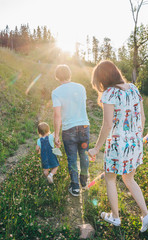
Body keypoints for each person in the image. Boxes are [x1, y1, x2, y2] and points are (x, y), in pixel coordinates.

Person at [88, 60, 148, 232]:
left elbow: (108, 124)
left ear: (102, 78)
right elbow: (143, 118)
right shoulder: (133, 88)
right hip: (134, 142)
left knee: (111, 179)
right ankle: (146, 215)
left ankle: (115, 217)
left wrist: (96, 148)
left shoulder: (109, 93)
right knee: (129, 178)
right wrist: (136, 138)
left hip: (118, 144)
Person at [52, 64, 90, 197]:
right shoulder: (81, 87)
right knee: (84, 154)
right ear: (70, 74)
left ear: (57, 77)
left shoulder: (56, 92)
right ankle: (84, 180)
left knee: (72, 158)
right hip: (84, 126)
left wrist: (56, 135)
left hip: (68, 130)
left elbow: (57, 116)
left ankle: (75, 187)